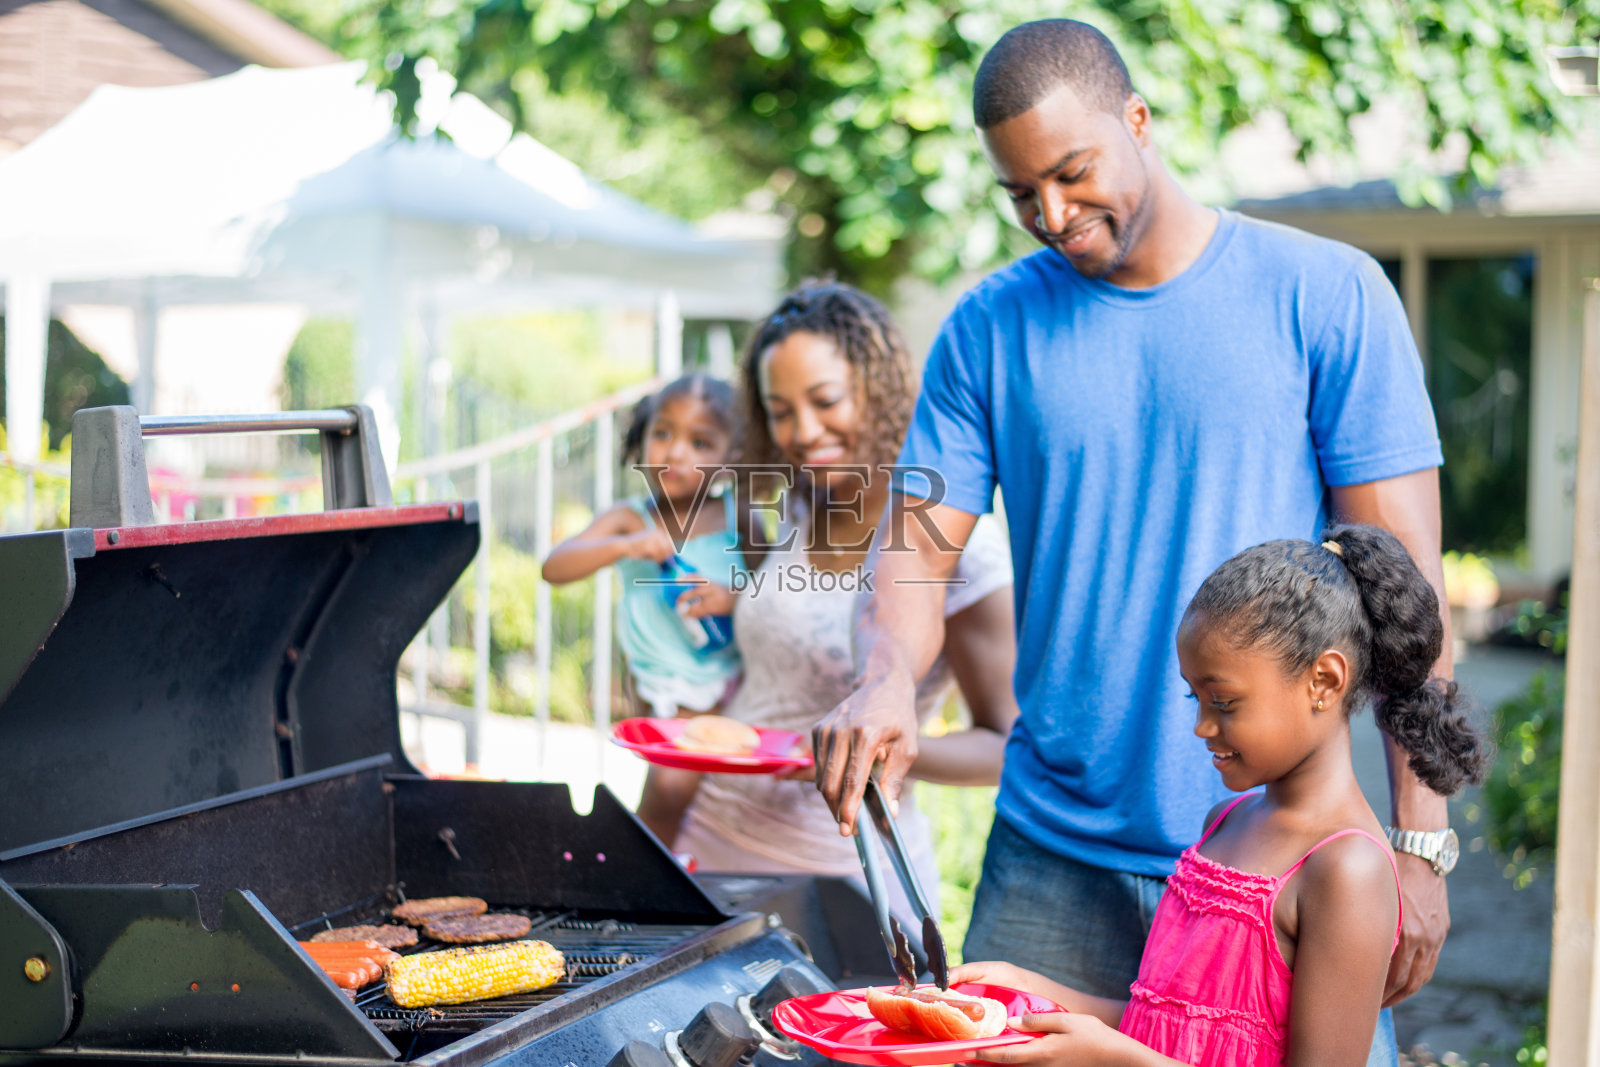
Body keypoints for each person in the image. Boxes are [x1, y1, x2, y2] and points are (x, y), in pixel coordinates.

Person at [812, 19, 1456, 1064]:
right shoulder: (985, 330)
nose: (1053, 216)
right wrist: (886, 677)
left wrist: (1420, 846)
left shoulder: (1327, 296)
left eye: (1072, 174)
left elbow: (1406, 599)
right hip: (1050, 859)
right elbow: (916, 546)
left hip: (1284, 860)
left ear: (1139, 122)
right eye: (1022, 195)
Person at [950, 525, 1489, 1066]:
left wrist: (1116, 1060)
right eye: (1195, 698)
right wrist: (1025, 990)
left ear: (1323, 681)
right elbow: (1165, 1022)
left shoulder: (1348, 869)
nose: (1201, 727)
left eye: (1224, 702)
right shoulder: (1225, 821)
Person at [651, 280, 1020, 922]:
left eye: (825, 401)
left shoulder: (961, 545)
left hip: (850, 881)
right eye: (780, 411)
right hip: (712, 849)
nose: (804, 432)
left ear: (879, 393)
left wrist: (873, 748)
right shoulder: (796, 506)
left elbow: (1004, 746)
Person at [541, 372, 746, 721]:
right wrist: (625, 546)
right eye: (663, 434)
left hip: (729, 683)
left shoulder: (739, 517)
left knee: (701, 773)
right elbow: (554, 567)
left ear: (731, 461)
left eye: (700, 443)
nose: (676, 452)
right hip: (659, 687)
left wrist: (733, 597)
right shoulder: (629, 520)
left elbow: (771, 592)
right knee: (670, 776)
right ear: (642, 436)